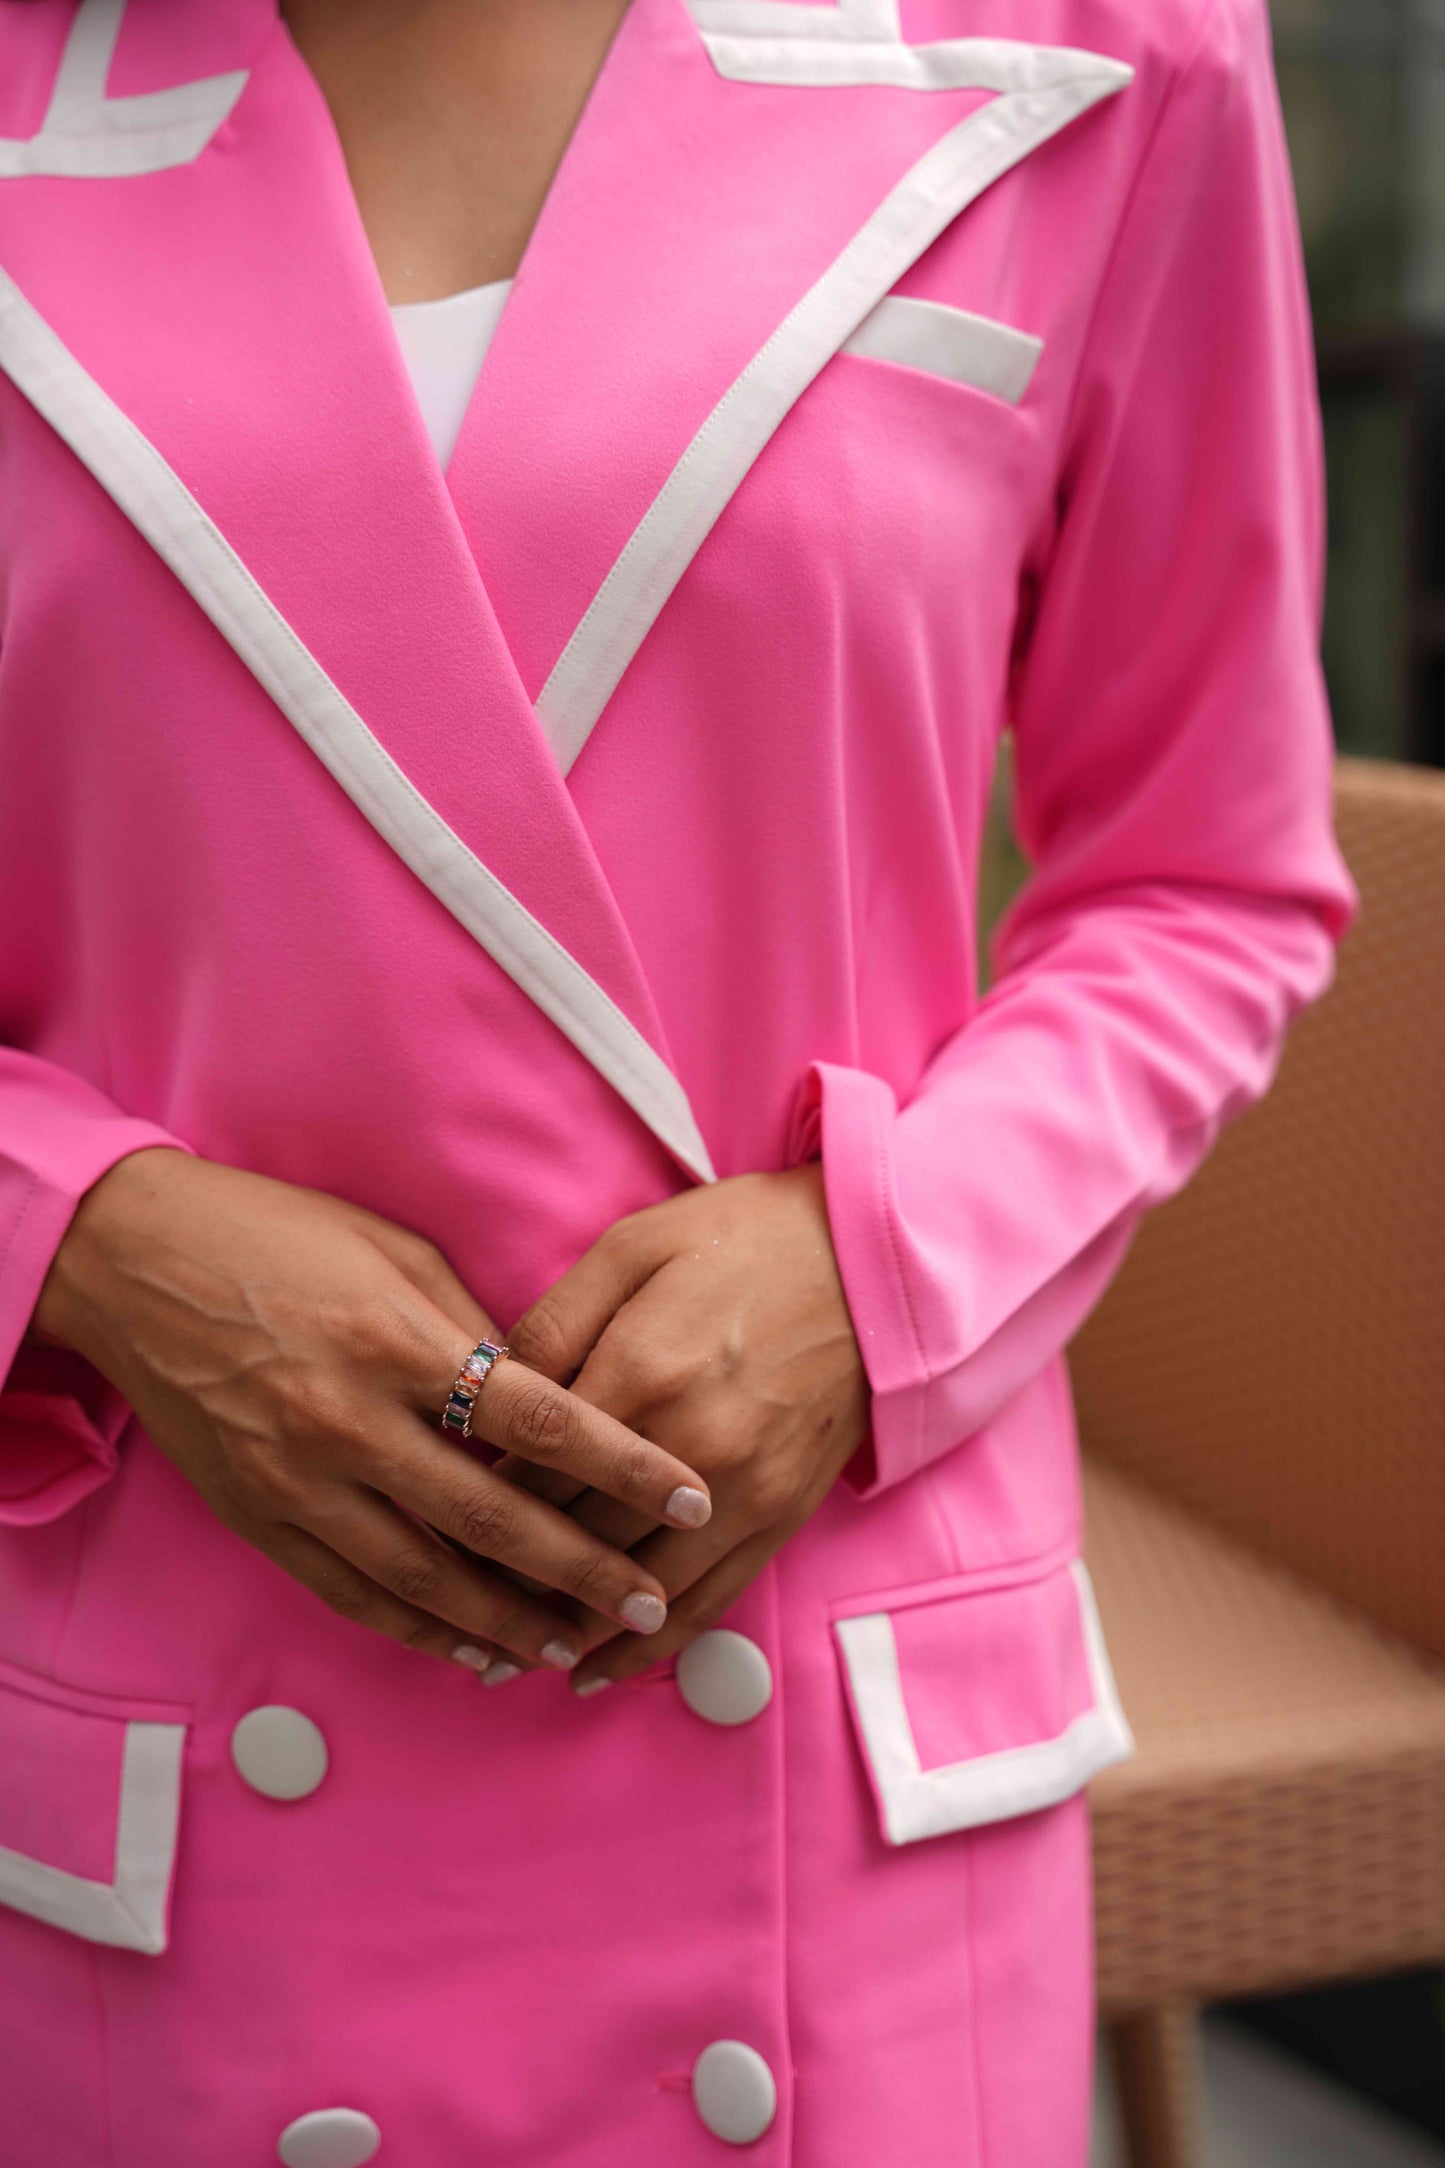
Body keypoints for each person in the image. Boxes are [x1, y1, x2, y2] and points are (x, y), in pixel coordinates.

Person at [0, 0, 1357, 2161]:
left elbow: (1210, 879)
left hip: (821, 1743)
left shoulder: (1104, 48)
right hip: (175, 1745)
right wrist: (92, 1240)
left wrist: (880, 1267)